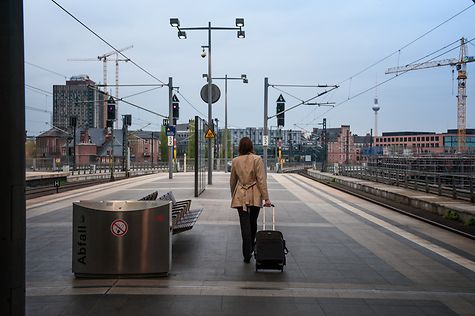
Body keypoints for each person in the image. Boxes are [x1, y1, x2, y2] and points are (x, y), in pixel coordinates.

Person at [230, 137, 272, 263]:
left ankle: (246, 253)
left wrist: (234, 195)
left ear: (240, 147)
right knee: (253, 223)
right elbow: (261, 180)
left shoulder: (235, 161)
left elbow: (233, 181)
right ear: (251, 146)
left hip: (240, 196)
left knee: (244, 226)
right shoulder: (257, 159)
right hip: (254, 195)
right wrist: (266, 199)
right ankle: (251, 247)